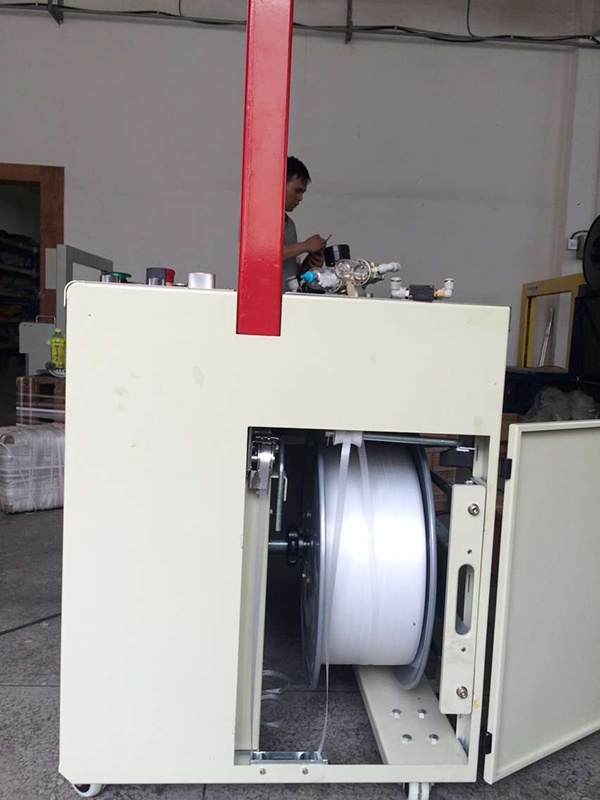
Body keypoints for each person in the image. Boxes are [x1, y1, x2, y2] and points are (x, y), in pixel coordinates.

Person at [282, 156, 327, 291]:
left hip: (287, 297)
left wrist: (310, 266)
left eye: (302, 192)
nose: (300, 198)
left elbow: (289, 272)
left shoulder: (289, 224)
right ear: (279, 183)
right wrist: (305, 246)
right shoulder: (257, 218)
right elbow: (264, 255)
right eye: (297, 190)